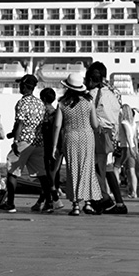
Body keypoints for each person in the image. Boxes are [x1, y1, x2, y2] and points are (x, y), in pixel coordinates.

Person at [51, 72, 104, 216]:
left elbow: (57, 126)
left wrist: (55, 145)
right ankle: (87, 203)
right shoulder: (89, 102)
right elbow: (94, 124)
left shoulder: (62, 104)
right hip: (87, 137)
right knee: (87, 169)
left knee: (73, 170)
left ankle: (75, 206)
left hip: (71, 136)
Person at [86, 62, 127, 214]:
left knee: (97, 169)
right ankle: (119, 202)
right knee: (107, 168)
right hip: (111, 133)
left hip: (98, 133)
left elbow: (91, 116)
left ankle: (104, 200)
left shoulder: (91, 95)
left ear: (91, 78)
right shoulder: (113, 92)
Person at [3, 74, 48, 214]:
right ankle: (49, 201)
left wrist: (15, 141)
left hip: (23, 140)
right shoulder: (40, 103)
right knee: (42, 174)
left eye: (20, 85)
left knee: (12, 170)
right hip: (38, 141)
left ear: (23, 86)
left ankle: (10, 204)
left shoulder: (22, 102)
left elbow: (20, 123)